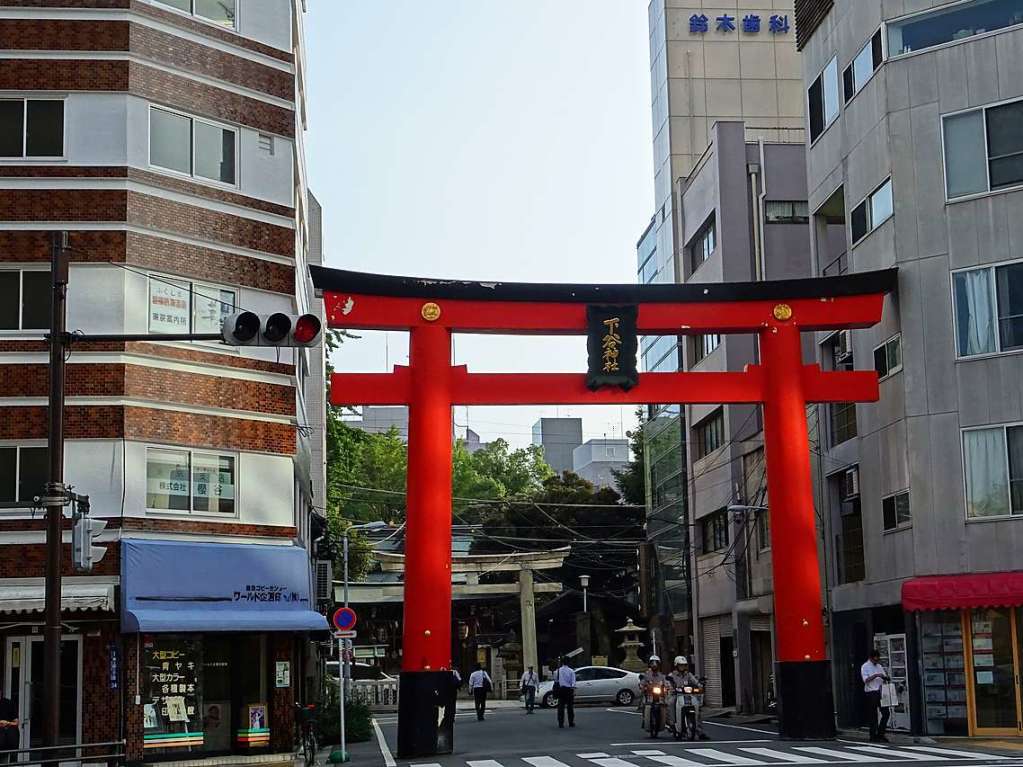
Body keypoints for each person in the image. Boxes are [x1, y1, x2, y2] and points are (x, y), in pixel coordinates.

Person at [667, 656, 707, 739]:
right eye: (680, 665)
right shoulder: (672, 675)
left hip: (688, 695)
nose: (682, 667)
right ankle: (672, 724)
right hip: (677, 695)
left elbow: (695, 682)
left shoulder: (688, 675)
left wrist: (700, 685)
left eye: (684, 665)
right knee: (671, 703)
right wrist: (672, 688)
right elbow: (668, 684)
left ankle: (699, 731)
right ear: (676, 665)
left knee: (697, 708)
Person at [861, 648, 891, 742]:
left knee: (886, 713)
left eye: (877, 659)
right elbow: (865, 680)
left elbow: (885, 677)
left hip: (880, 691)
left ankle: (881, 733)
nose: (876, 661)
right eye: (875, 659)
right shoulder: (865, 666)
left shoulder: (879, 666)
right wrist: (876, 675)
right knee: (873, 715)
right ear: (871, 658)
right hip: (871, 692)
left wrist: (885, 677)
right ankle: (873, 735)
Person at [640, 655, 669, 731]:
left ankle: (666, 721)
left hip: (660, 695)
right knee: (643, 703)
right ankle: (644, 719)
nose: (654, 665)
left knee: (666, 705)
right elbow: (642, 682)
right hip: (649, 695)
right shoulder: (646, 675)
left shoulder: (662, 676)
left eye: (656, 663)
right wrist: (642, 686)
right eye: (652, 663)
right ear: (650, 664)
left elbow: (666, 683)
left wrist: (667, 687)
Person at [554, 656, 576, 728]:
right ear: (568, 662)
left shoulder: (557, 671)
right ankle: (571, 722)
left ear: (562, 662)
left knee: (560, 707)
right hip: (569, 690)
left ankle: (561, 723)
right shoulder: (571, 671)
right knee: (570, 707)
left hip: (561, 690)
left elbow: (556, 681)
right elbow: (573, 682)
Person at [0, 695, 18, 764]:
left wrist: (7, 723)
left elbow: (16, 723)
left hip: (5, 742)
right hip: (5, 741)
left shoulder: (9, 703)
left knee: (5, 759)